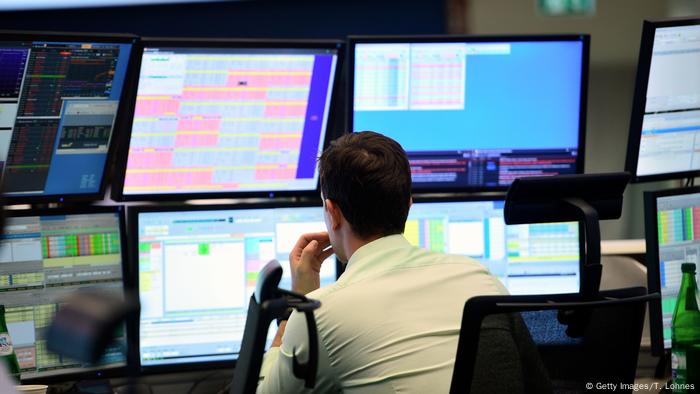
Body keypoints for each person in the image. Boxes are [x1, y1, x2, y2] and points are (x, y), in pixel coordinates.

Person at [257, 131, 508, 393]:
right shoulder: (481, 279)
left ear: (333, 213)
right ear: (408, 205)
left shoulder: (320, 316)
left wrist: (296, 305)